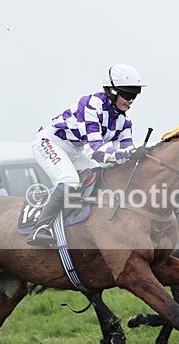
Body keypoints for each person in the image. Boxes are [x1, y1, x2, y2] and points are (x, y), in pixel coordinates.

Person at [28, 63, 147, 247]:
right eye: (127, 94)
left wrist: (139, 155)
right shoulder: (91, 105)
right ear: (111, 91)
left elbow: (125, 158)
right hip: (50, 143)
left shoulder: (124, 122)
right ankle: (40, 228)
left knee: (97, 178)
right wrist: (129, 153)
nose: (131, 100)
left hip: (75, 151)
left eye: (135, 95)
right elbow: (97, 152)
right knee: (69, 180)